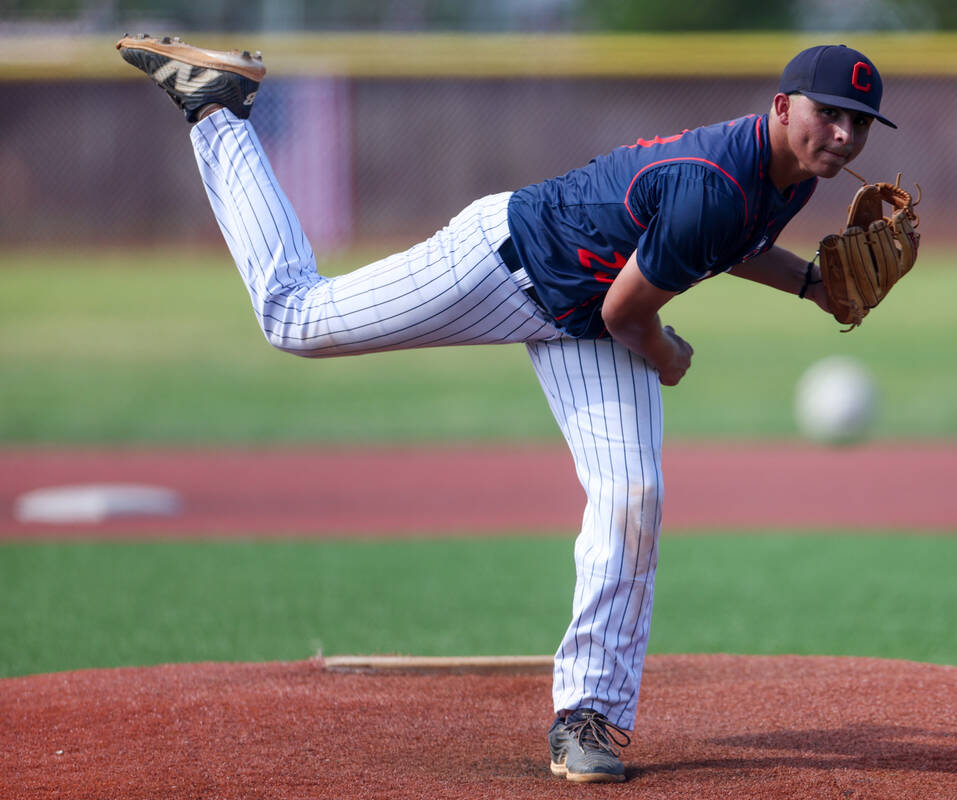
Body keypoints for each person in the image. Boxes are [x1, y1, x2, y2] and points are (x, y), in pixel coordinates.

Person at [116, 34, 896, 783]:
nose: (843, 133)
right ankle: (217, 111)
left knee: (633, 495)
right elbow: (635, 312)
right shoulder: (719, 182)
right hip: (507, 265)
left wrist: (810, 285)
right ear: (782, 104)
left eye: (858, 122)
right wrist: (665, 356)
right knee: (294, 317)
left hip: (584, 313)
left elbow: (729, 246)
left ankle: (586, 716)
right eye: (827, 112)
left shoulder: (787, 173)